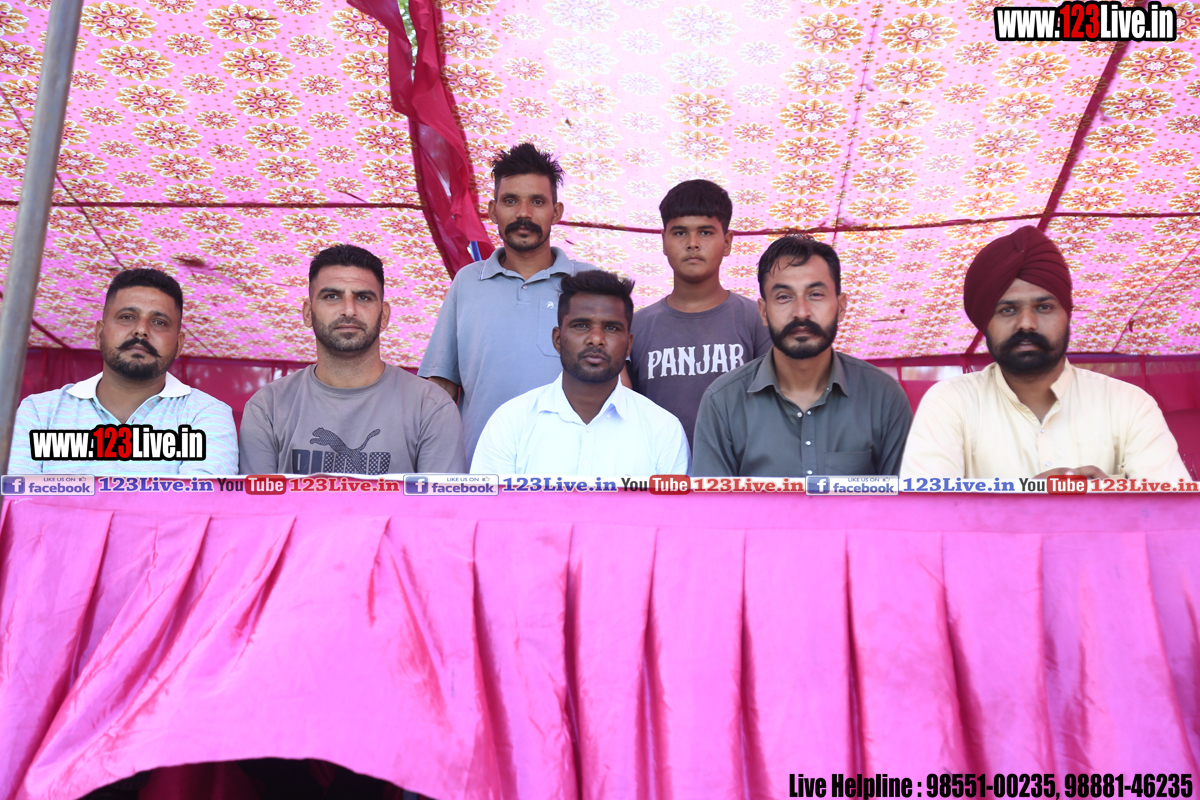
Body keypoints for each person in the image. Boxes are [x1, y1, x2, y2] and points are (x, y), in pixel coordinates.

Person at [901, 225, 1189, 481]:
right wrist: (1032, 503)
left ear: (1067, 314)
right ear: (985, 323)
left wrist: (1110, 498)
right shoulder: (951, 404)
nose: (1027, 323)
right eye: (1008, 310)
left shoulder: (1129, 404)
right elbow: (928, 514)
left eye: (1043, 307)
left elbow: (1175, 513)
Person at [418, 142, 593, 463]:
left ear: (556, 212)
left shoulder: (589, 283)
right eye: (510, 200)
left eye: (537, 201)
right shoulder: (467, 282)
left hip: (571, 472)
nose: (523, 213)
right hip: (480, 470)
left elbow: (619, 384)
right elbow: (440, 387)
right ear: (492, 210)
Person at [692, 235, 912, 477]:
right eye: (784, 297)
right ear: (763, 312)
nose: (801, 312)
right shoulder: (723, 402)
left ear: (841, 306)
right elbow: (713, 501)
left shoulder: (883, 397)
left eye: (815, 294)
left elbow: (907, 499)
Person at [239, 244, 465, 475]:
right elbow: (255, 498)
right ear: (307, 313)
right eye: (332, 296)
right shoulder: (268, 407)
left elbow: (439, 499)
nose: (349, 310)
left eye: (363, 297)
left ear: (384, 315)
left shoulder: (431, 406)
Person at [7, 268, 238, 474]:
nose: (141, 331)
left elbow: (199, 504)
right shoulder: (40, 413)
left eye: (159, 322)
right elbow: (15, 501)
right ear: (99, 334)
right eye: (127, 317)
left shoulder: (206, 415)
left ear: (179, 345)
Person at [471, 270, 689, 476]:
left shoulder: (663, 430)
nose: (596, 339)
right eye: (581, 325)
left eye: (611, 328)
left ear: (629, 345)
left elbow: (673, 505)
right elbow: (489, 503)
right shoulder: (510, 422)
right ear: (558, 339)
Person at [626, 180, 771, 446]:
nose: (692, 243)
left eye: (705, 232)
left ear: (727, 242)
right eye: (680, 232)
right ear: (663, 241)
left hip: (736, 470)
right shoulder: (636, 326)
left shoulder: (757, 320)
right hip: (659, 469)